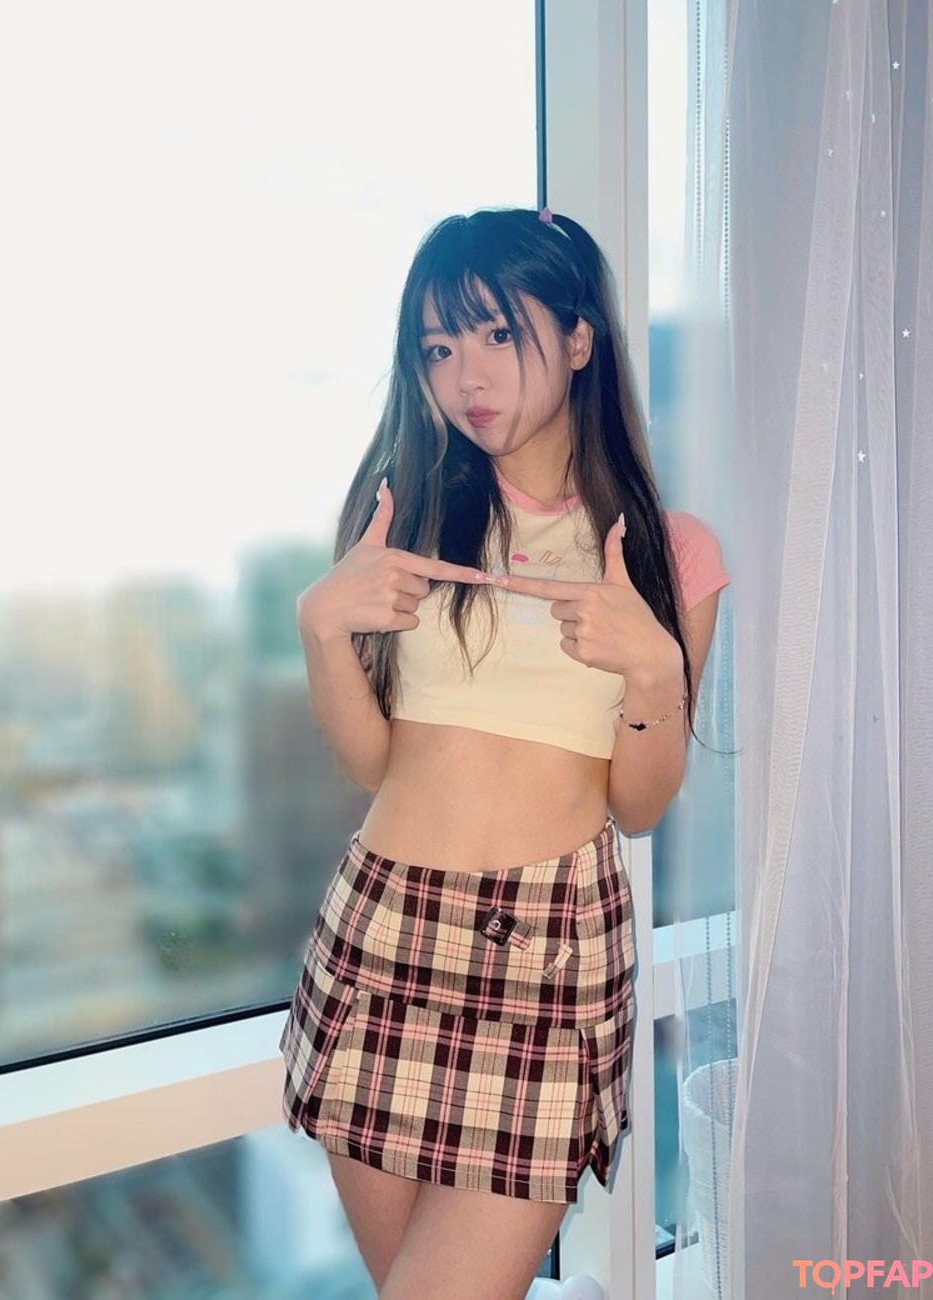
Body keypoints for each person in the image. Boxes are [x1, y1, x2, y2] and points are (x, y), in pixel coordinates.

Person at [278, 206, 730, 1300]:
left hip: (547, 952)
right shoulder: (407, 518)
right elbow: (373, 763)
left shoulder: (668, 552)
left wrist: (654, 673)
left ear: (578, 338)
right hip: (382, 932)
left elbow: (639, 806)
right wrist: (321, 630)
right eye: (438, 348)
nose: (465, 376)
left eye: (494, 333)